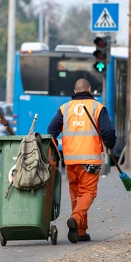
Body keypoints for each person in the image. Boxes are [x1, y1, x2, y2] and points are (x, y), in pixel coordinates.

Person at [47, 78, 116, 243]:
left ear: (75, 90)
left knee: (77, 195)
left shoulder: (65, 108)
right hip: (90, 159)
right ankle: (76, 219)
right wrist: (110, 145)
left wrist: (55, 149)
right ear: (90, 89)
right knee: (88, 192)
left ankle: (79, 231)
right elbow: (107, 131)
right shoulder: (98, 108)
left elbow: (51, 130)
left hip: (70, 160)